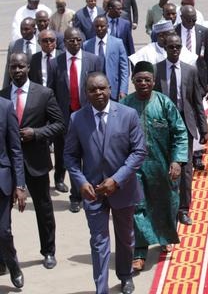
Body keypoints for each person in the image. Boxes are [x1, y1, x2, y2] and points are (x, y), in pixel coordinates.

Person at [64, 72, 146, 294]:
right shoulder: (77, 119)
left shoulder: (128, 115)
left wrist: (116, 180)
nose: (98, 93)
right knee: (99, 241)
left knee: (125, 238)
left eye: (102, 88)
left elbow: (139, 152)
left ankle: (125, 275)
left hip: (123, 188)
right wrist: (80, 182)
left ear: (110, 89)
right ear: (86, 93)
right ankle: (101, 289)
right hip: (93, 192)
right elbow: (70, 156)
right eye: (93, 90)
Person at [121, 62, 188, 271]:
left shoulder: (164, 103)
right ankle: (139, 252)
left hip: (162, 164)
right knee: (137, 208)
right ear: (133, 81)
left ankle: (164, 236)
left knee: (166, 203)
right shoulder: (125, 106)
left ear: (153, 81)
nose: (143, 83)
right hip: (134, 167)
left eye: (147, 80)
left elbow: (180, 132)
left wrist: (177, 160)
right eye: (139, 80)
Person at [1, 53, 64, 270]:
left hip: (35, 161)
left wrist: (36, 133)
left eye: (21, 66)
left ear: (28, 67)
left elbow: (59, 124)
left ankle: (48, 251)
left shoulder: (44, 93)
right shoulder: (2, 96)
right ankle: (4, 259)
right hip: (8, 165)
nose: (17, 70)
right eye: (13, 67)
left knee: (43, 209)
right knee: (3, 213)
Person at [154, 34, 207, 224]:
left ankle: (184, 209)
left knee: (185, 169)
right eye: (171, 47)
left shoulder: (190, 71)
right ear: (165, 48)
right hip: (162, 127)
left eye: (177, 47)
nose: (175, 50)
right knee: (164, 167)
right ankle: (167, 207)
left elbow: (196, 101)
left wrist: (204, 128)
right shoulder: (156, 70)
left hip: (185, 126)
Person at [50, 27, 102, 212]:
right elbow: (51, 93)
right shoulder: (55, 63)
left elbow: (100, 87)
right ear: (64, 42)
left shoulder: (93, 60)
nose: (75, 43)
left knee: (90, 154)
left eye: (78, 40)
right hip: (66, 118)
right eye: (70, 40)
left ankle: (93, 190)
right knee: (71, 157)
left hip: (88, 114)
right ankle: (75, 195)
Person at [0, 94, 26, 289]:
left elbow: (15, 150)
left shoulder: (6, 107)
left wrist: (20, 186)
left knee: (3, 231)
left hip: (2, 180)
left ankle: (13, 265)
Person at [83, 16, 129, 101]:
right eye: (97, 26)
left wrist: (123, 90)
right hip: (94, 91)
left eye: (102, 26)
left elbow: (124, 69)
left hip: (114, 90)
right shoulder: (87, 45)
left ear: (107, 26)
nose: (99, 29)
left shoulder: (117, 43)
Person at [175, 5, 208, 99]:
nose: (192, 23)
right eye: (189, 20)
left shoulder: (203, 31)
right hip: (180, 76)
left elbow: (207, 57)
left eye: (194, 20)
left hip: (199, 78)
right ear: (182, 17)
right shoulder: (174, 31)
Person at [3, 17, 39, 88]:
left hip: (37, 84)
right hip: (19, 84)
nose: (23, 32)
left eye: (26, 29)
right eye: (21, 29)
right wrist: (5, 88)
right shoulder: (14, 45)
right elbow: (8, 68)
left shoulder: (40, 44)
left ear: (34, 30)